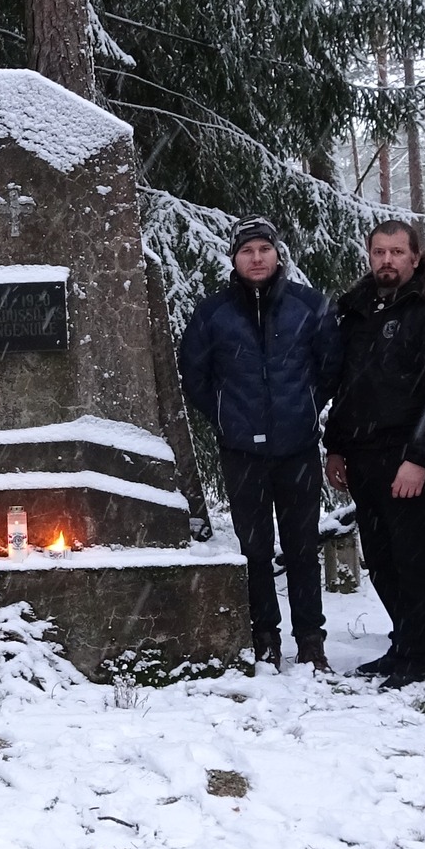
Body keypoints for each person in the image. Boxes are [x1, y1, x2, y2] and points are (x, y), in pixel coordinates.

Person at [178, 217, 344, 670]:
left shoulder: (308, 306)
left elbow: (331, 366)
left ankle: (310, 640)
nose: (256, 258)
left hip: (297, 448)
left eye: (263, 250)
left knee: (302, 547)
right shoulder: (213, 313)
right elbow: (194, 374)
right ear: (234, 258)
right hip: (242, 452)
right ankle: (264, 636)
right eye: (246, 251)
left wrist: (306, 406)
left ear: (277, 254)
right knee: (254, 548)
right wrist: (226, 417)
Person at [324, 221, 425, 690]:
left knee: (415, 560)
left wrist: (420, 458)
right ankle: (402, 644)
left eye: (397, 252)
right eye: (379, 252)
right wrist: (335, 446)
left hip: (408, 457)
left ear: (415, 257)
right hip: (362, 455)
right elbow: (347, 386)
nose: (387, 260)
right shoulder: (357, 311)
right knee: (382, 559)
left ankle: (420, 657)